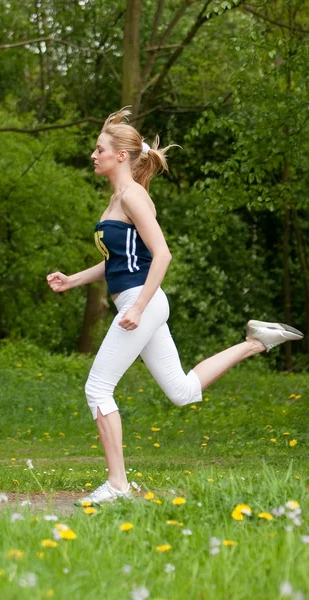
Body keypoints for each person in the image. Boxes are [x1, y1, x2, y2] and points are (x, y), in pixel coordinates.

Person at [46, 108, 304, 506]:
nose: (93, 155)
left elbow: (162, 255)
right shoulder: (118, 198)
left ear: (120, 156)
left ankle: (117, 485)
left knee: (97, 387)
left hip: (141, 302)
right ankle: (257, 341)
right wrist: (74, 279)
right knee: (183, 391)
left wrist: (138, 308)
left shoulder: (133, 196)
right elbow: (118, 262)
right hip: (138, 301)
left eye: (99, 149)